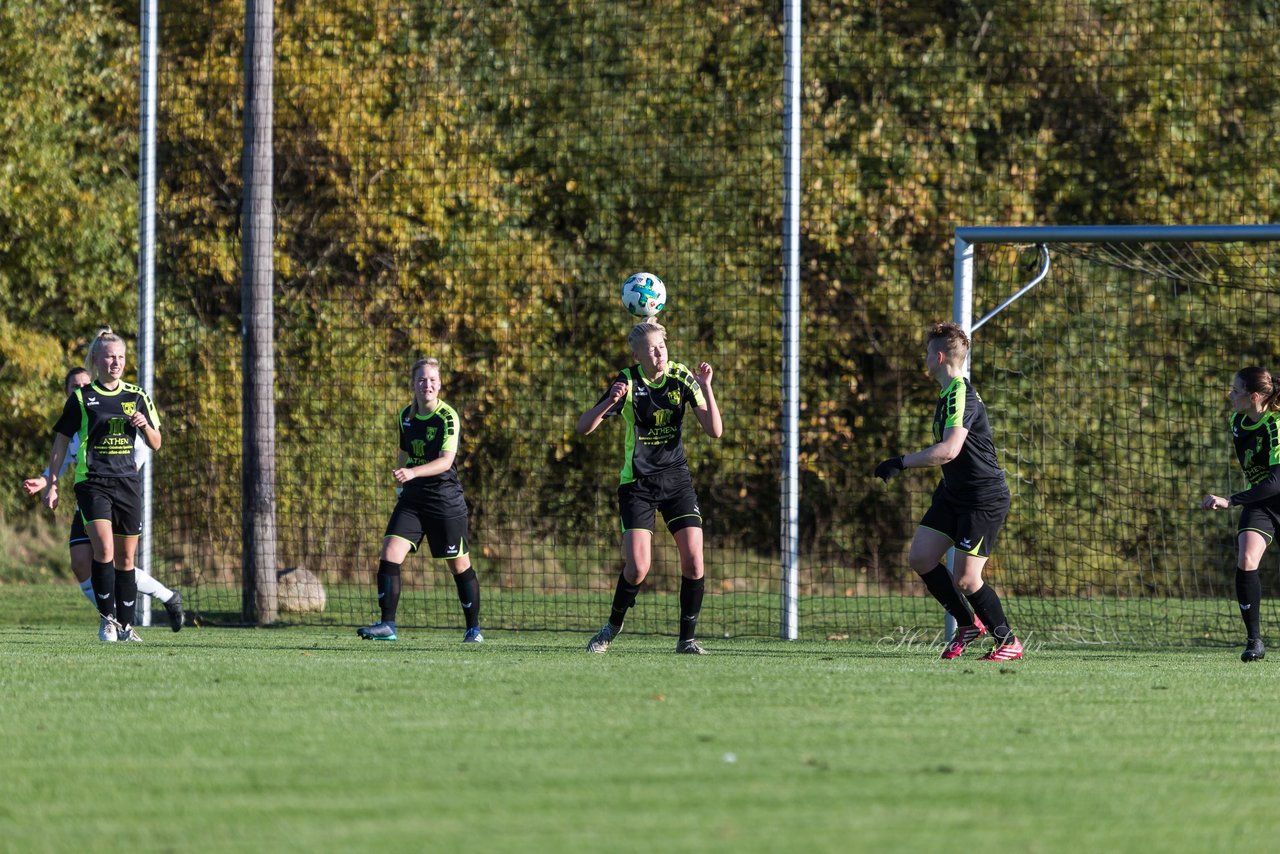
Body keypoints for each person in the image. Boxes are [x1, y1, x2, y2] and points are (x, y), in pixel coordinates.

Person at [874, 321, 1023, 661]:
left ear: (939, 356)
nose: (924, 358)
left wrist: (900, 461)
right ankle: (967, 625)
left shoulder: (959, 392)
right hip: (953, 493)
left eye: (927, 353)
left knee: (968, 580)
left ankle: (1008, 641)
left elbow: (949, 450)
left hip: (982, 498)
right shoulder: (946, 394)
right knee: (922, 558)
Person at [576, 320, 723, 654]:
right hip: (638, 484)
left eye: (663, 347)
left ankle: (687, 640)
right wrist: (609, 402)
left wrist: (707, 386)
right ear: (637, 355)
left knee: (695, 562)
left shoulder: (682, 377)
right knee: (638, 568)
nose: (659, 354)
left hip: (676, 481)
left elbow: (715, 431)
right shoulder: (626, 381)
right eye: (652, 350)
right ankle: (611, 628)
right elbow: (583, 427)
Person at [23, 367, 184, 631]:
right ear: (67, 392)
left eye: (83, 384)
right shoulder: (75, 425)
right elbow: (61, 462)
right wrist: (45, 482)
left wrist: (118, 480)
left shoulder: (117, 413)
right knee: (80, 563)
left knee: (114, 559)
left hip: (116, 493)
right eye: (74, 386)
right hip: (89, 499)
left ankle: (132, 614)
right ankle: (111, 616)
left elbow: (143, 450)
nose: (79, 389)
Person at [43, 329, 162, 643]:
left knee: (126, 559)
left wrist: (145, 426)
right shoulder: (82, 397)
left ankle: (126, 626)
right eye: (110, 356)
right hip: (92, 482)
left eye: (121, 357)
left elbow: (156, 443)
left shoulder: (137, 396)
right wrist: (51, 484)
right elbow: (61, 442)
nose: (116, 362)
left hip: (128, 484)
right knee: (104, 550)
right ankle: (107, 621)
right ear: (96, 360)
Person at [358, 358, 483, 643]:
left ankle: (473, 629)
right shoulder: (406, 415)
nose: (428, 384)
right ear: (414, 384)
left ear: (439, 385)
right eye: (422, 380)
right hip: (413, 499)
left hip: (444, 500)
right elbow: (404, 451)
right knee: (390, 551)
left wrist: (412, 472)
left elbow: (445, 461)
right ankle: (387, 625)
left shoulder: (447, 416)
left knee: (459, 565)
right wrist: (402, 485)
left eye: (433, 380)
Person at [1200, 366, 1280, 663]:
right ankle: (1254, 642)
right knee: (1246, 558)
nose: (1229, 394)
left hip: (1271, 494)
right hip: (1261, 503)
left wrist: (1230, 500)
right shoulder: (1237, 420)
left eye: (1235, 390)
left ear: (1254, 396)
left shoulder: (1276, 425)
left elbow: (1275, 482)